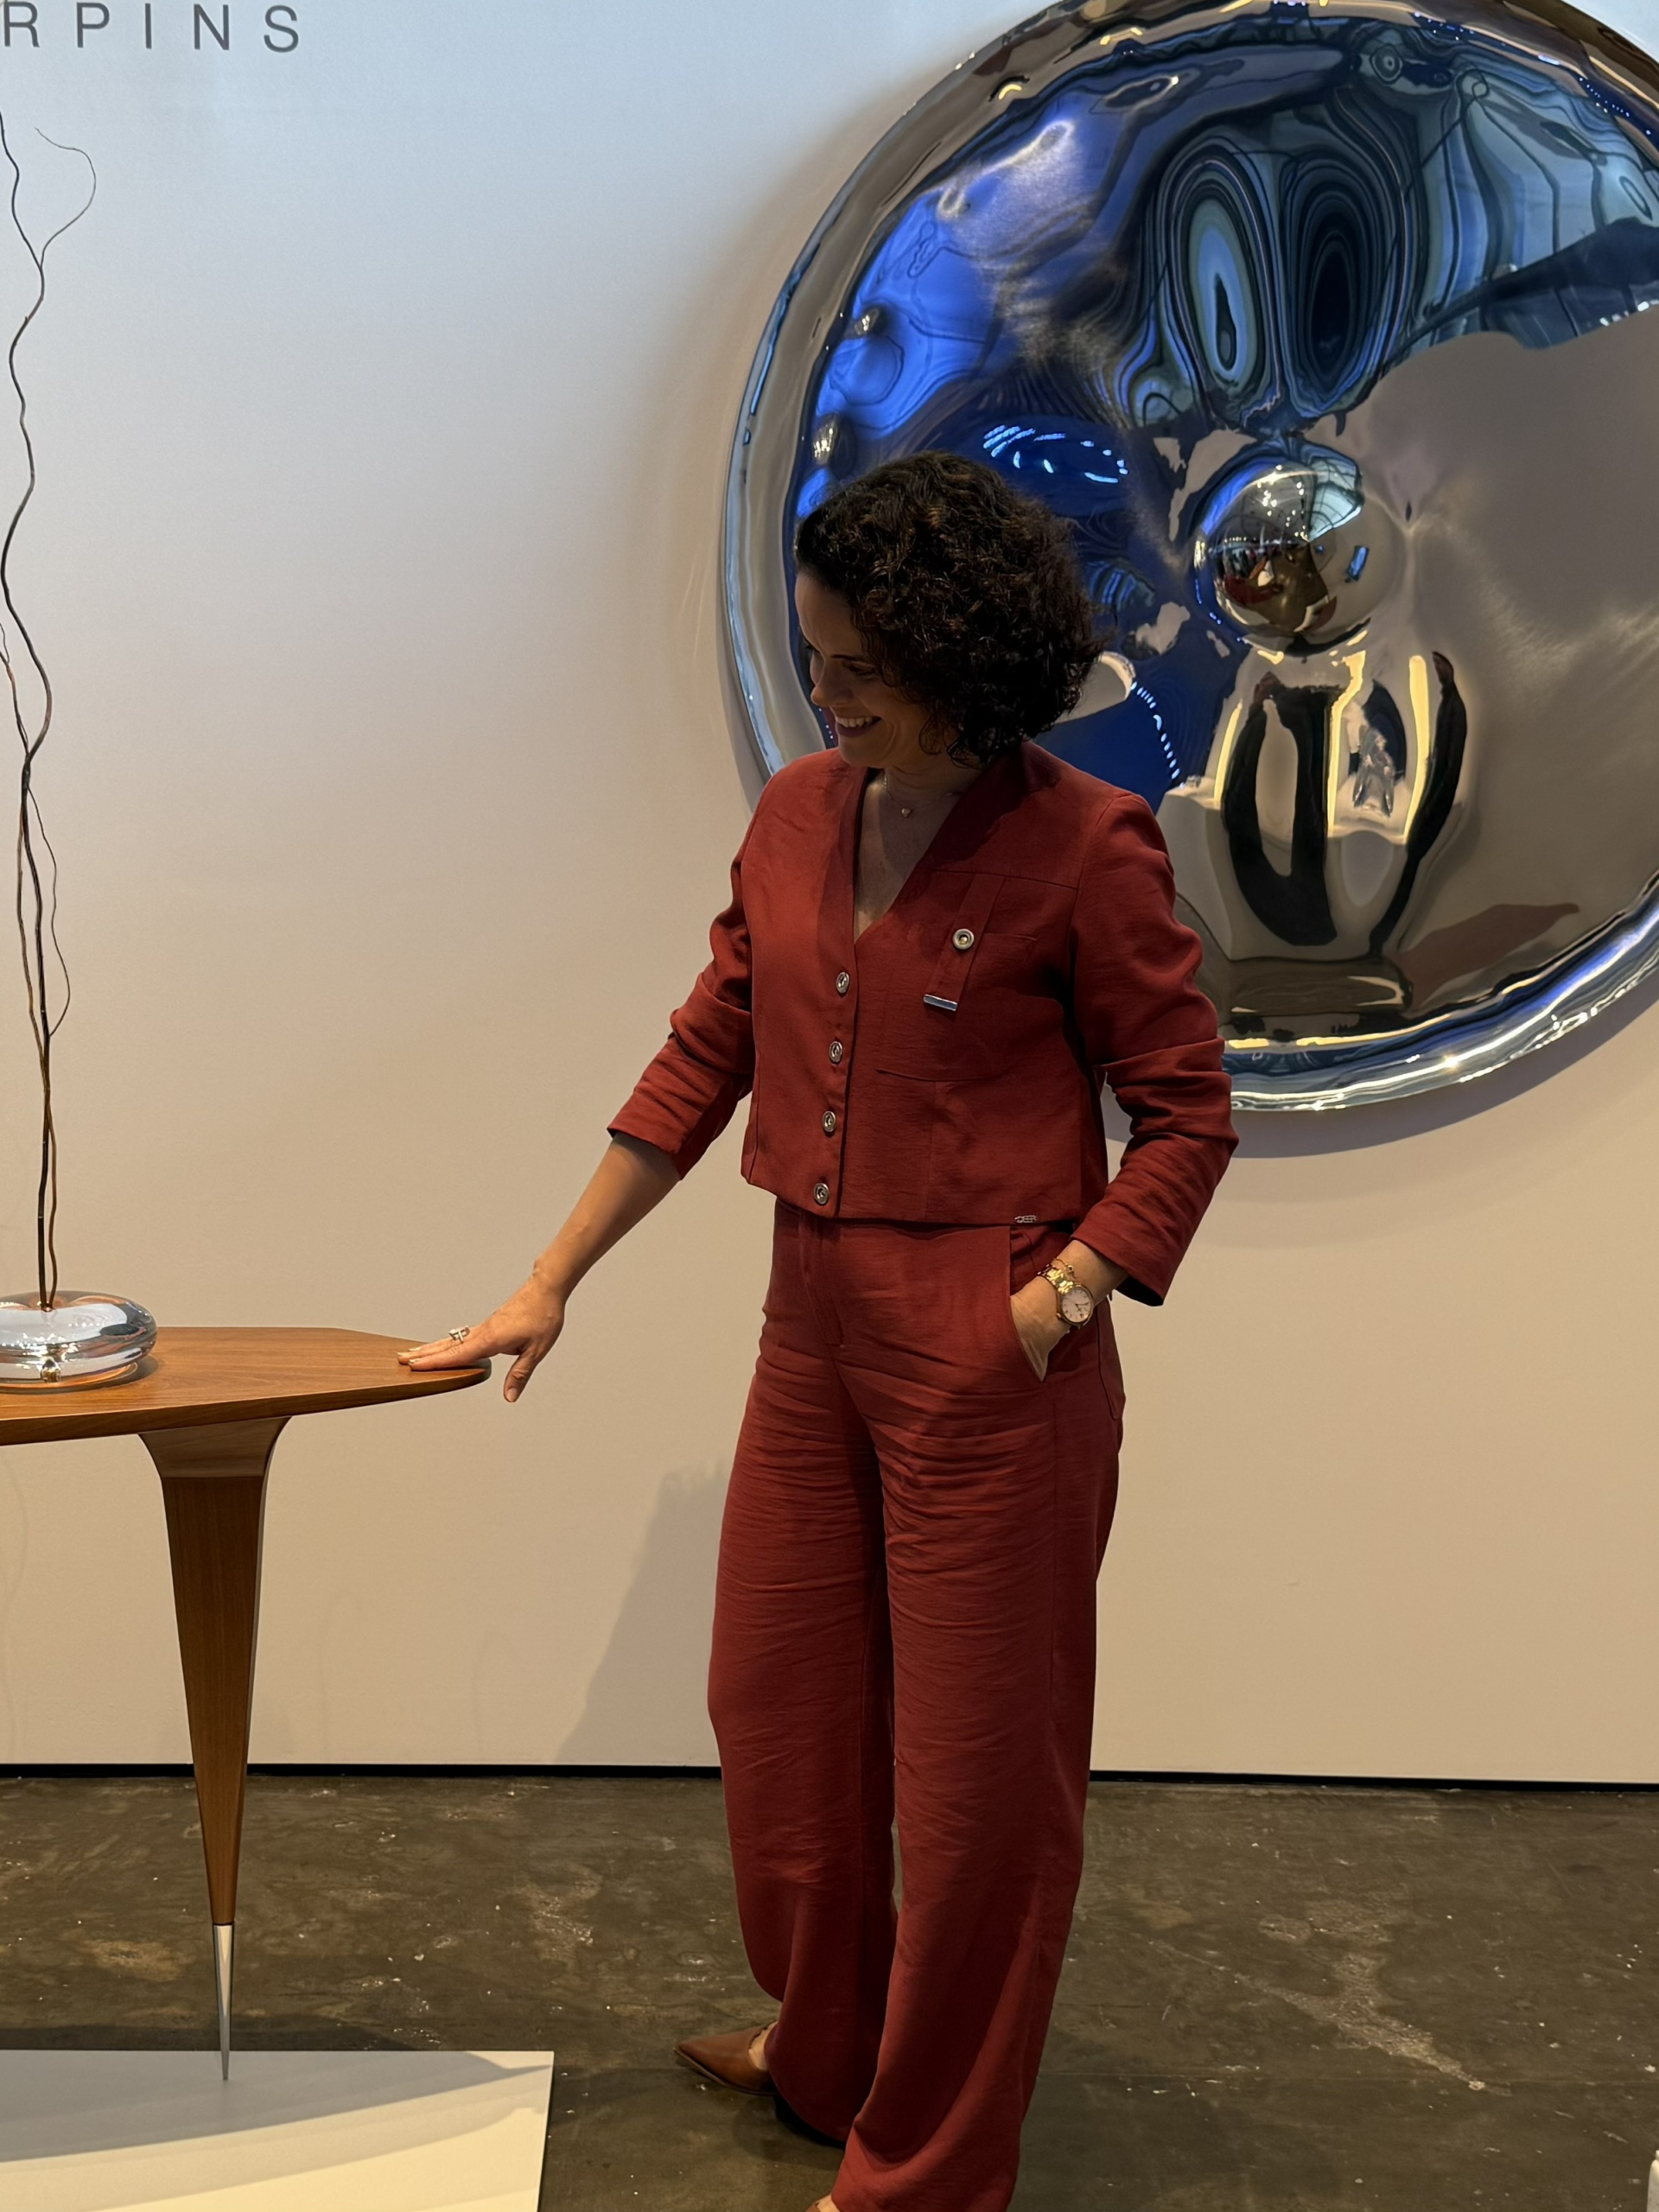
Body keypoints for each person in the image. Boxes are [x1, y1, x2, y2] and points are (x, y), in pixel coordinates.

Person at [403, 451, 1236, 2212]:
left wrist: (1059, 1298)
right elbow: (709, 1045)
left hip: (993, 1348)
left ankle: (925, 2164)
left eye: (861, 663)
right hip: (811, 1322)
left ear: (961, 656)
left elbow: (1185, 1114)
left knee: (980, 1790)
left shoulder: (1089, 845)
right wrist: (553, 1274)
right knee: (778, 1716)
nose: (827, 689)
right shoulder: (797, 812)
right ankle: (829, 2049)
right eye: (814, 653)